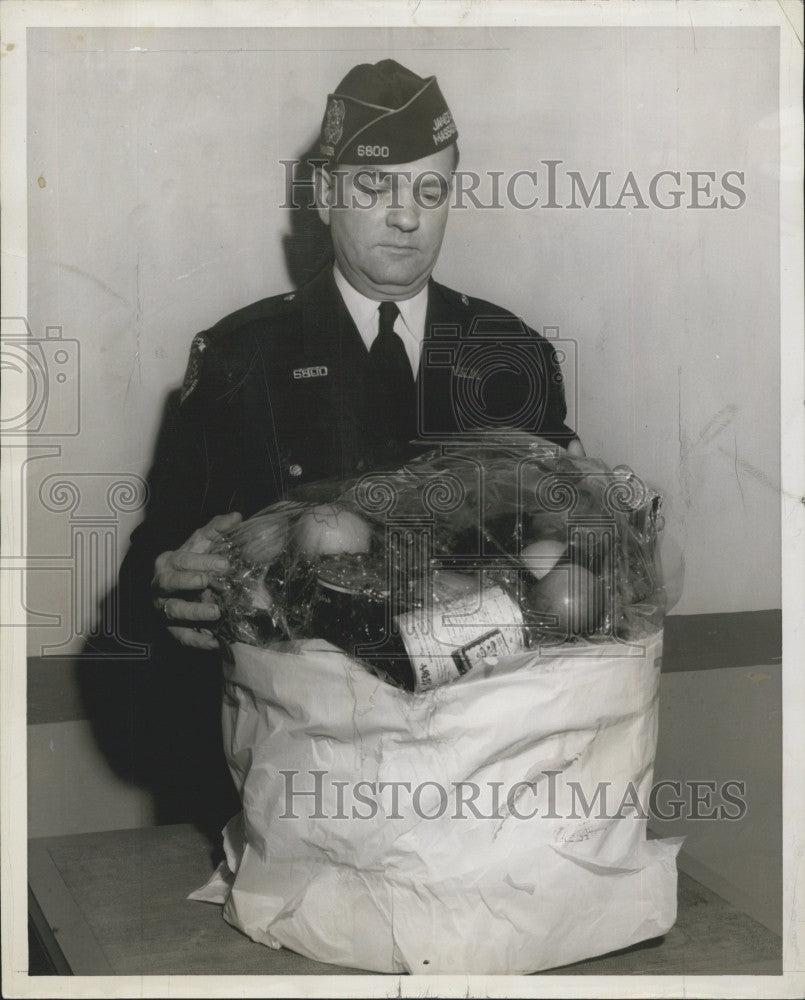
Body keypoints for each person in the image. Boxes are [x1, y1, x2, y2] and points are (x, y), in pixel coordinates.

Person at [123, 59, 583, 657]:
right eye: (374, 186)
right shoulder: (241, 359)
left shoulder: (512, 353)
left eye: (429, 189)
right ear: (322, 194)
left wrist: (589, 522)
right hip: (302, 724)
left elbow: (578, 559)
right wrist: (166, 584)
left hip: (487, 720)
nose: (407, 216)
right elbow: (153, 562)